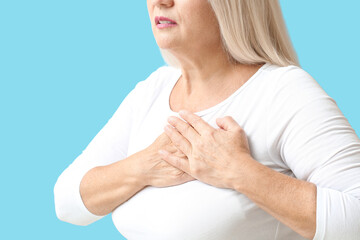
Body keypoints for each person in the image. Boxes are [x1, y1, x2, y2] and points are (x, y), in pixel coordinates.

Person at [54, 0, 360, 239]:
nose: (160, 2)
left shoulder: (283, 92)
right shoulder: (154, 90)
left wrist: (237, 171)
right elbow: (67, 202)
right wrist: (143, 167)